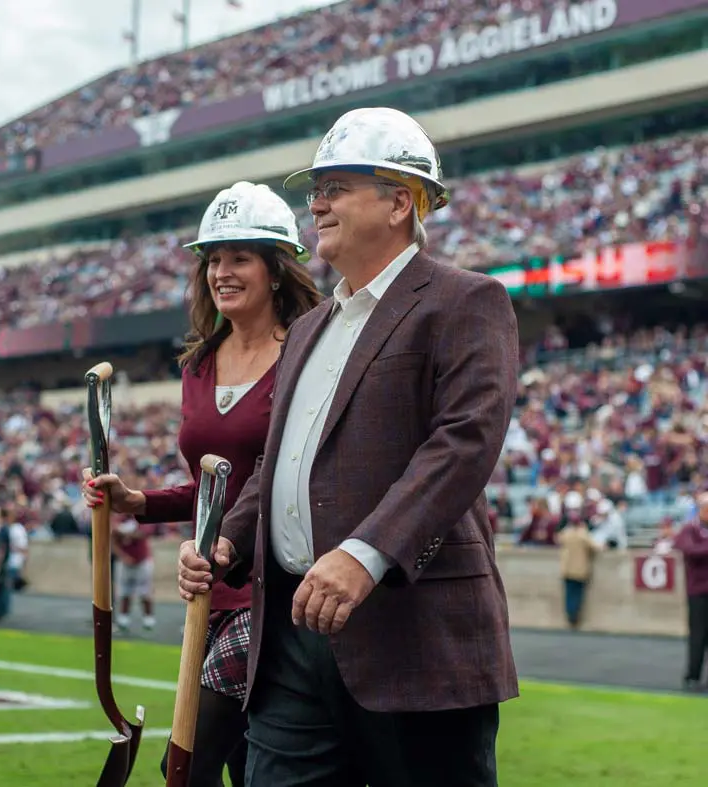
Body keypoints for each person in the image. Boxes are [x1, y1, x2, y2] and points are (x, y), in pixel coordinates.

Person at [179, 107, 520, 787]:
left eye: (337, 186)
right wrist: (228, 542)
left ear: (400, 201)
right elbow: (280, 462)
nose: (317, 202)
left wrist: (366, 554)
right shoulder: (307, 330)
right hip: (292, 640)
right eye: (316, 189)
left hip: (413, 634)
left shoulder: (464, 301)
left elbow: (464, 442)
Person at [82, 181, 322, 787]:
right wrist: (138, 502)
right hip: (208, 591)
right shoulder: (198, 366)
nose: (222, 272)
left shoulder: (306, 353)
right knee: (249, 768)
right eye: (213, 259)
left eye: (240, 257)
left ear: (276, 270)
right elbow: (217, 489)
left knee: (181, 765)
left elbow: (282, 480)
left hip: (275, 588)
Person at [672, 491, 708, 692]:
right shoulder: (690, 529)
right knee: (698, 635)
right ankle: (693, 676)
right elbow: (688, 550)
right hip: (698, 590)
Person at [555, 509, 602, 628]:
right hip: (580, 569)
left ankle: (570, 613)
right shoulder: (583, 534)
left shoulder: (566, 533)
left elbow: (557, 539)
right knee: (577, 594)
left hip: (567, 568)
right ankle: (574, 615)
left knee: (569, 593)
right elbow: (594, 547)